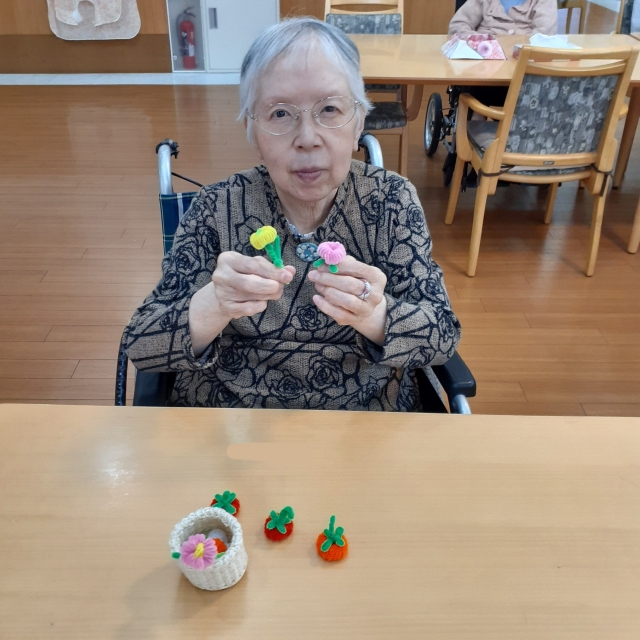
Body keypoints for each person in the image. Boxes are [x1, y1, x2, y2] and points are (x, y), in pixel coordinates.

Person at [124, 18, 461, 411]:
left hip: (365, 424)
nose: (307, 138)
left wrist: (375, 315)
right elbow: (142, 344)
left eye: (330, 109)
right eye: (280, 114)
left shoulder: (392, 203)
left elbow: (443, 336)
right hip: (228, 425)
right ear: (253, 131)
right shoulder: (215, 208)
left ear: (358, 123)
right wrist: (212, 305)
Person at [448, 0, 558, 36]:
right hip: (482, 60)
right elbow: (458, 25)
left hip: (524, 63)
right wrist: (478, 41)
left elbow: (545, 34)